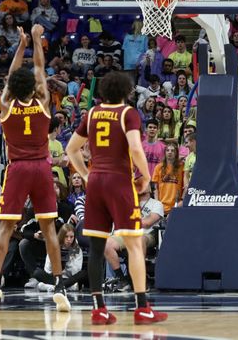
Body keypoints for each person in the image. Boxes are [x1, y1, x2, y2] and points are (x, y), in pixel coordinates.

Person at [0, 25, 70, 313]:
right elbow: (40, 66)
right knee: (50, 229)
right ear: (33, 87)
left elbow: (12, 74)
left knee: (5, 227)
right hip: (42, 169)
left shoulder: (5, 105)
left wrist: (21, 44)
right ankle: (59, 286)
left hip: (17, 169)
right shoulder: (43, 101)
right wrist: (37, 41)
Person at [65, 71, 167, 325]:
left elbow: (70, 149)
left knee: (97, 248)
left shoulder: (90, 115)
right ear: (126, 91)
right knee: (134, 244)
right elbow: (135, 147)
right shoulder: (128, 113)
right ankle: (142, 307)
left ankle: (98, 309)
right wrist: (147, 175)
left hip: (96, 183)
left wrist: (87, 175)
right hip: (119, 182)